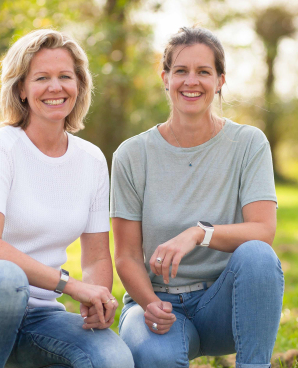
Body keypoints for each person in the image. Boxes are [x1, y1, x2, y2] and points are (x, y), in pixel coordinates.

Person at [0, 29, 134, 368]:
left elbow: (98, 256)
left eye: (65, 77)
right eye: (42, 77)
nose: (55, 87)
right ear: (22, 89)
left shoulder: (93, 159)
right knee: (6, 277)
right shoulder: (0, 147)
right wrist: (71, 287)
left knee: (114, 360)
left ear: (79, 85)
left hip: (39, 316)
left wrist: (97, 298)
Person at [110, 26, 284, 368]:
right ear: (165, 78)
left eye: (204, 72)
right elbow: (127, 255)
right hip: (157, 303)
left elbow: (263, 230)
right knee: (155, 357)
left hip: (225, 304)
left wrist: (198, 233)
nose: (192, 81)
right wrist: (149, 303)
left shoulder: (249, 144)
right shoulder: (132, 154)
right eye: (181, 71)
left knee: (259, 256)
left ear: (220, 80)